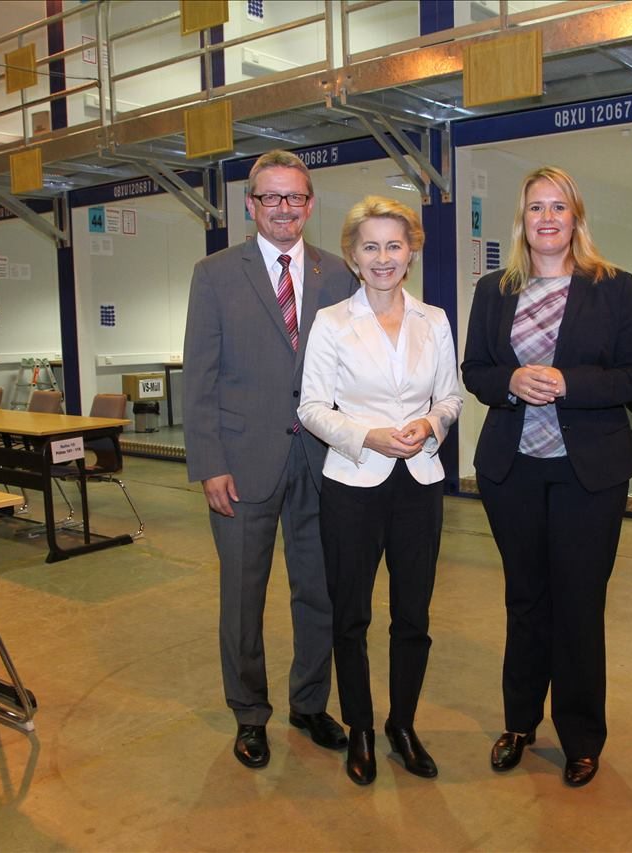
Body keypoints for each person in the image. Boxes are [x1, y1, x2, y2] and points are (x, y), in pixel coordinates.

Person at [461, 165, 632, 788]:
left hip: (588, 474)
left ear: (576, 218)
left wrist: (569, 383)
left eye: (558, 207)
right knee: (525, 599)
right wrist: (511, 382)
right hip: (511, 471)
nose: (547, 218)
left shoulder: (613, 287)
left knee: (579, 604)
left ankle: (581, 737)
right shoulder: (494, 290)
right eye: (536, 207)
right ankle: (519, 723)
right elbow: (475, 370)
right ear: (522, 220)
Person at [182, 149, 357, 770]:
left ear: (310, 204)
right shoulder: (214, 274)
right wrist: (209, 463)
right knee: (243, 597)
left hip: (321, 460)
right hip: (241, 462)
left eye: (295, 197)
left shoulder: (340, 274)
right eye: (271, 197)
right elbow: (199, 376)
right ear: (250, 204)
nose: (284, 208)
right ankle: (249, 714)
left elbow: (354, 369)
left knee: (320, 592)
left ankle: (310, 703)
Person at [297, 196, 462, 785]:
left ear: (411, 252)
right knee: (351, 616)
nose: (383, 257)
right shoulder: (332, 322)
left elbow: (451, 396)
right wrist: (366, 435)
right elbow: (312, 407)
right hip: (353, 484)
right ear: (352, 256)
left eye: (395, 245)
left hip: (419, 483)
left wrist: (431, 424)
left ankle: (403, 726)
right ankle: (361, 728)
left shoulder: (434, 320)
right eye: (371, 246)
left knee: (413, 615)